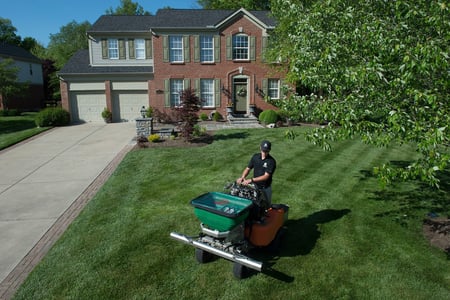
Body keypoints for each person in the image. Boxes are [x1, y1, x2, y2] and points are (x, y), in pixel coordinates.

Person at [237, 140, 276, 206]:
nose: (264, 153)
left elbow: (266, 176)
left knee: (267, 206)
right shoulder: (255, 157)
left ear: (269, 150)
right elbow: (248, 168)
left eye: (266, 151)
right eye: (263, 150)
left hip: (265, 188)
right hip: (255, 187)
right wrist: (243, 177)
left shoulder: (271, 161)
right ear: (260, 148)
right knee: (254, 205)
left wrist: (251, 180)